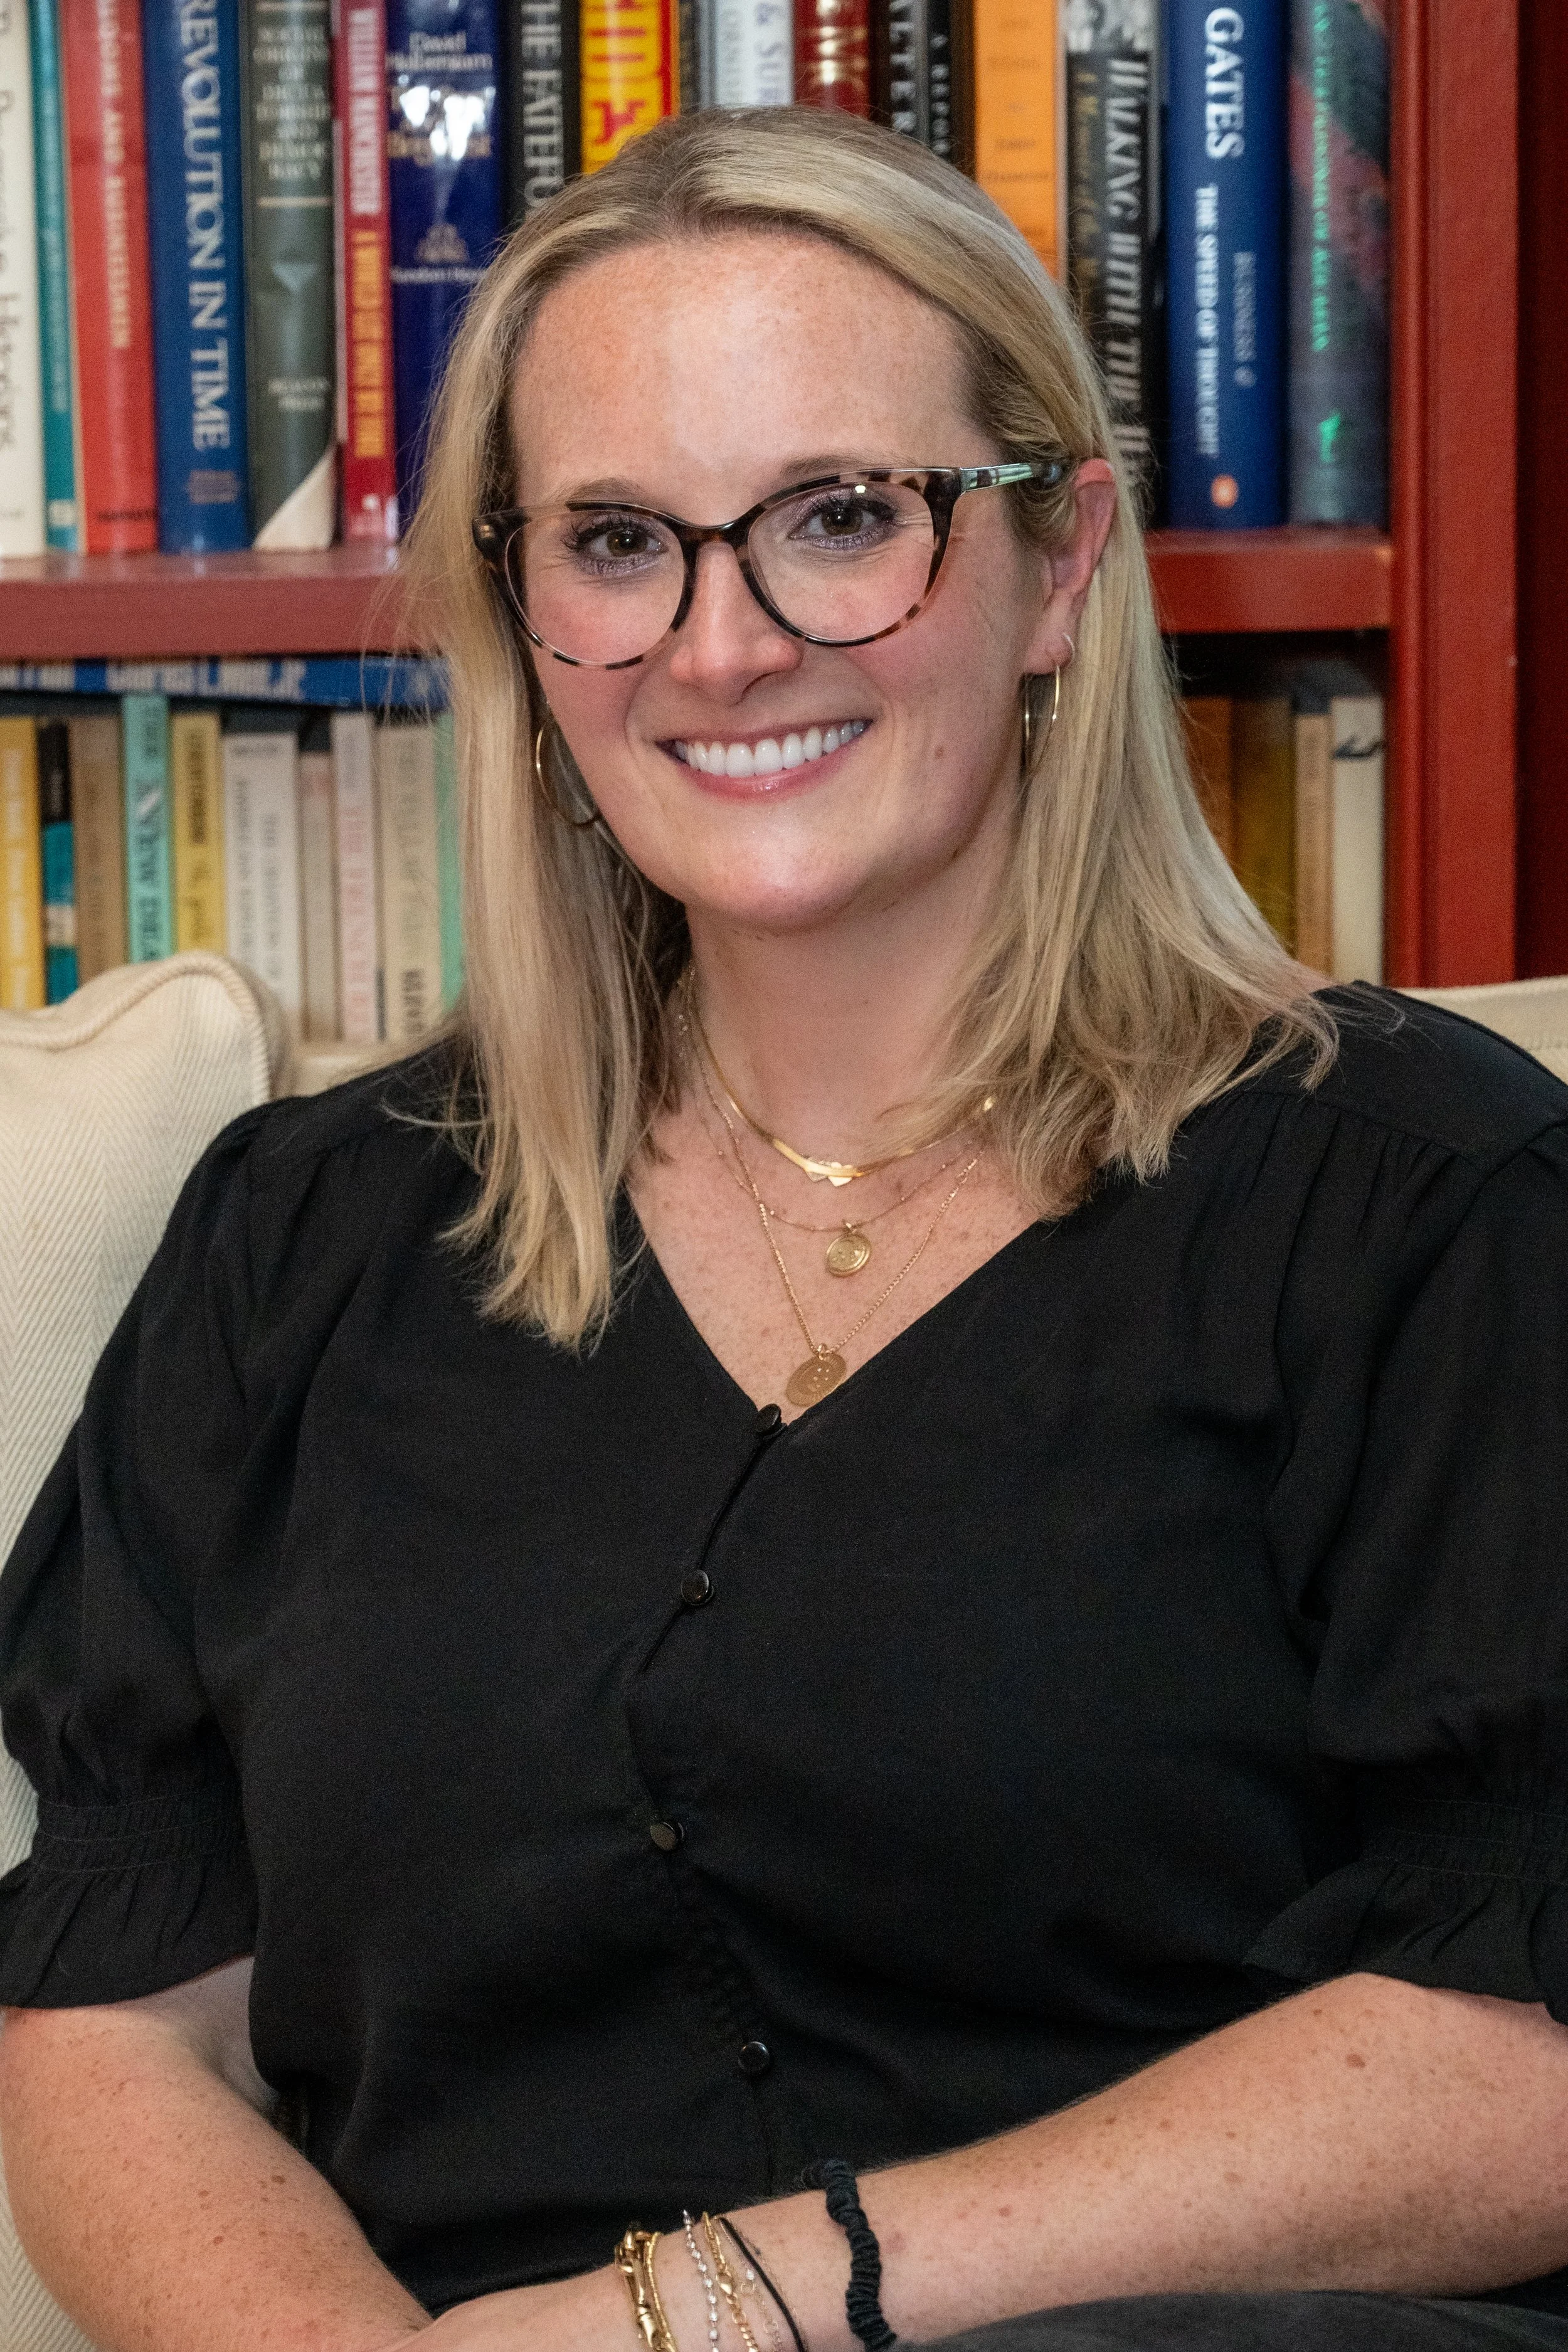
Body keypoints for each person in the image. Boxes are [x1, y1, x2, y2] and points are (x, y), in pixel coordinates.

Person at [3, 105, 1568, 2352]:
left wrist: (724, 2308)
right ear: (520, 615)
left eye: (839, 517)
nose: (720, 645)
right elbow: (113, 2016)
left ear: (1056, 567)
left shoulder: (1423, 1205)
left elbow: (1516, 2045)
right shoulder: (305, 1239)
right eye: (617, 541)